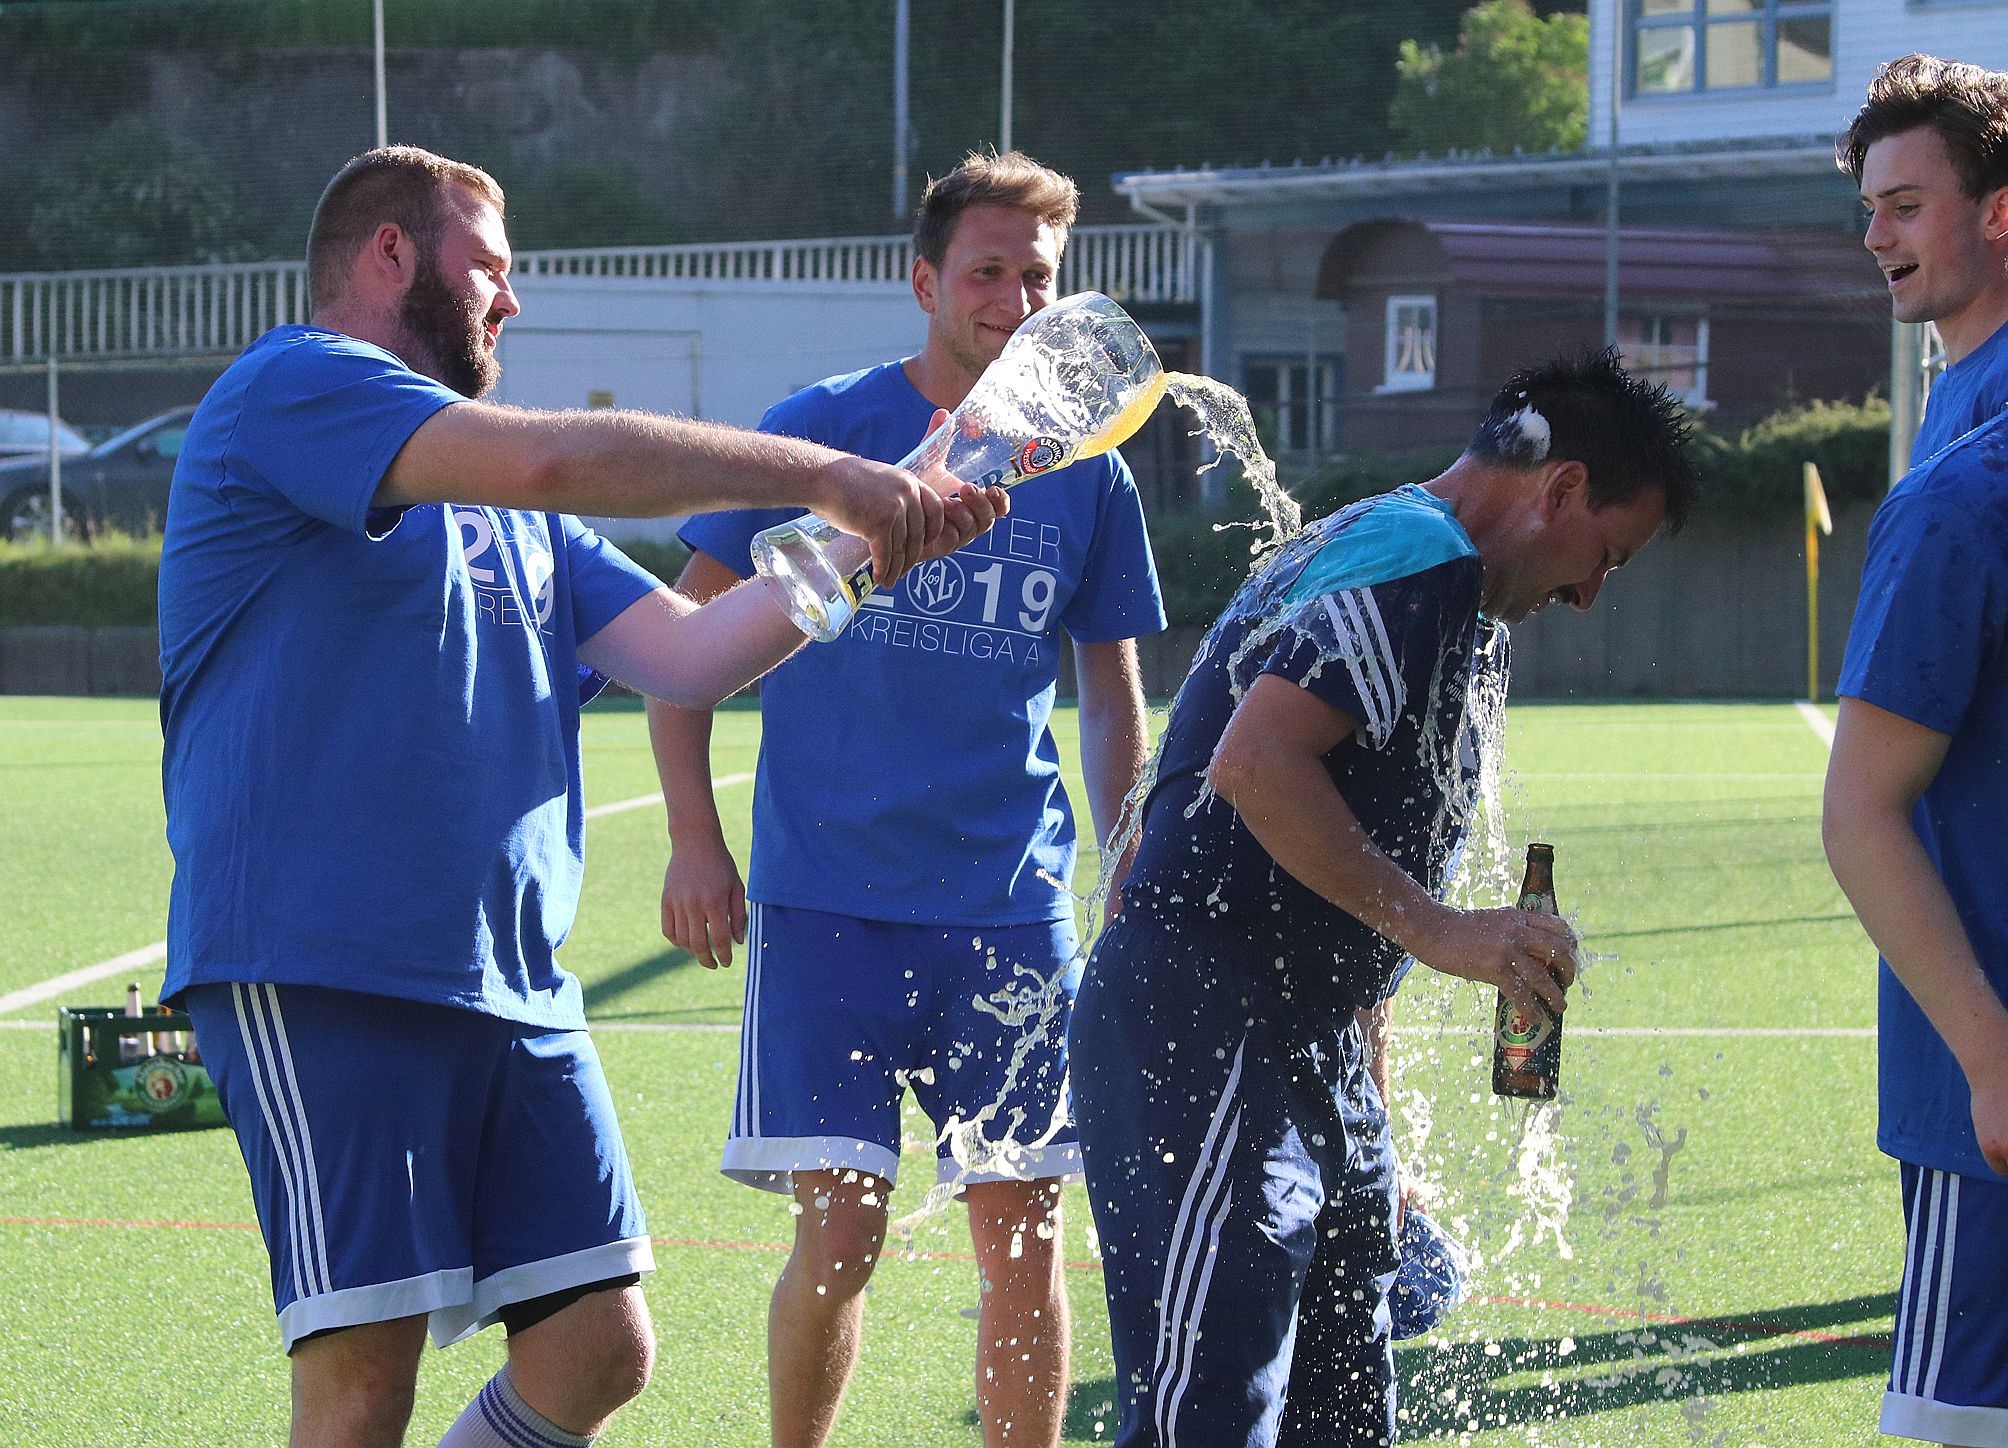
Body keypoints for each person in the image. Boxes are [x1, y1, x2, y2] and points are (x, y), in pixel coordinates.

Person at [157, 145, 1004, 1448]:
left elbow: (691, 652)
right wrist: (819, 472)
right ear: (390, 254)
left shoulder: (516, 517)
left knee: (599, 1345)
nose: (512, 302)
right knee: (362, 1381)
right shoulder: (297, 381)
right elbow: (555, 460)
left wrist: (864, 548)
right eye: (491, 265)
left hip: (509, 985)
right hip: (325, 961)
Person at [1068, 351, 1698, 1448]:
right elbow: (1255, 766)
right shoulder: (1423, 560)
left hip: (1302, 1035)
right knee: (1206, 1419)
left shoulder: (1429, 571)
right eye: (1603, 555)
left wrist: (1370, 1102)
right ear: (1557, 488)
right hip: (1211, 1020)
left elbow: (1350, 866)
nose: (1590, 594)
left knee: (1343, 1411)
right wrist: (1451, 933)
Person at [645, 149, 1164, 1448]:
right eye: (986, 269)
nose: (1010, 296)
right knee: (842, 1236)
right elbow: (676, 650)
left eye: (1036, 276)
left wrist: (1133, 854)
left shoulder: (1087, 470)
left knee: (1024, 1238)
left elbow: (1107, 693)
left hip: (1010, 908)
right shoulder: (819, 428)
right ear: (924, 277)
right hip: (827, 904)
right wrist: (695, 845)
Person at [1823, 341, 2008, 1444]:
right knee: (1960, 1426)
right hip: (1990, 1115)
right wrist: (1988, 1060)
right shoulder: (1960, 504)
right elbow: (1860, 813)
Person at [1844, 53, 2008, 464]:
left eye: (1905, 207)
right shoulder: (1952, 390)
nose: (1873, 239)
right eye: (1870, 210)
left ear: (1997, 213)